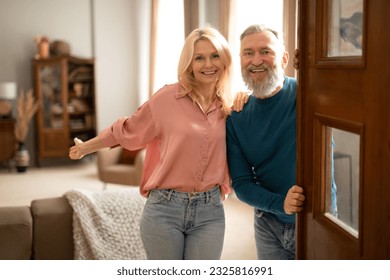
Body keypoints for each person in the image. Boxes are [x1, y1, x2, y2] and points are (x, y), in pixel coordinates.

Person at [69, 26, 233, 260]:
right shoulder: (167, 99)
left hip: (210, 211)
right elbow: (127, 129)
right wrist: (86, 147)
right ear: (189, 63)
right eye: (199, 58)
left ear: (225, 58)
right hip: (165, 209)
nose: (208, 64)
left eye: (214, 55)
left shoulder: (230, 105)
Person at [226, 24, 306, 260]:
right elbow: (241, 183)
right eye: (248, 53)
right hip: (267, 224)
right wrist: (281, 204)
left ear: (283, 58)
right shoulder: (235, 116)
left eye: (265, 51)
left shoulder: (307, 96)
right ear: (240, 60)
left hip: (314, 219)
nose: (256, 60)